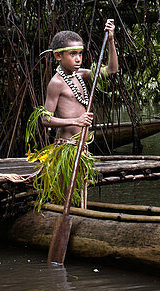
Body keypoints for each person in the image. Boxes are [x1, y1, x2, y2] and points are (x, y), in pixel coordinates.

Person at [26, 19, 118, 209]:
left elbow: (111, 70)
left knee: (80, 194)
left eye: (80, 54)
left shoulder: (81, 75)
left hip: (81, 149)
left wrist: (110, 40)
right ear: (58, 56)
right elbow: (45, 119)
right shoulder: (56, 83)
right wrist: (76, 120)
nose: (78, 58)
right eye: (72, 54)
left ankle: (79, 219)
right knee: (66, 195)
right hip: (66, 149)